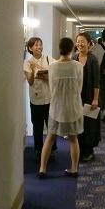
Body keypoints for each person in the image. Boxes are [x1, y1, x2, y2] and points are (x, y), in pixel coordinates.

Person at [38, 38, 83, 178]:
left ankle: (42, 169)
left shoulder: (53, 66)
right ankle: (74, 168)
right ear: (72, 48)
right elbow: (79, 88)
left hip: (57, 107)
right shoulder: (78, 66)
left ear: (59, 48)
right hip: (73, 107)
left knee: (50, 138)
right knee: (73, 139)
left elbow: (52, 88)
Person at [23, 37, 56, 161]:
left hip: (49, 98)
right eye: (36, 45)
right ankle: (38, 150)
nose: (39, 47)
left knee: (51, 126)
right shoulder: (27, 63)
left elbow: (55, 75)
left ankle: (51, 150)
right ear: (30, 48)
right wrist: (32, 71)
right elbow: (30, 82)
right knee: (37, 126)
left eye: (40, 44)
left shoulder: (48, 59)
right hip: (36, 99)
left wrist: (41, 74)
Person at [73, 32, 101, 162]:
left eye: (82, 41)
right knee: (78, 123)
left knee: (89, 124)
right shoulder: (74, 58)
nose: (80, 44)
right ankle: (79, 150)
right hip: (76, 98)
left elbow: (96, 82)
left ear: (89, 44)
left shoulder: (93, 59)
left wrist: (95, 99)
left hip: (90, 96)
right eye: (78, 41)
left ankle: (89, 151)